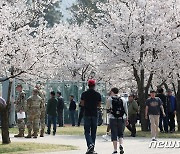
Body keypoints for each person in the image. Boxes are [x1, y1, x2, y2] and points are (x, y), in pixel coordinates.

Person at [80, 79, 101, 154]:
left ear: (88, 85)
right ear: (94, 85)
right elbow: (99, 105)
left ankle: (90, 145)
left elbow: (82, 104)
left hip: (87, 114)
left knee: (87, 131)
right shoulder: (98, 94)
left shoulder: (84, 94)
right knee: (93, 132)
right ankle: (92, 147)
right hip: (94, 114)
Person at [106, 88, 128, 154]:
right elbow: (126, 110)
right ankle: (121, 145)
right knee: (120, 134)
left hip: (113, 118)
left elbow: (108, 109)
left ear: (112, 92)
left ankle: (115, 150)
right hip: (121, 118)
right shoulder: (123, 99)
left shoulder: (110, 99)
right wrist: (127, 118)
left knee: (114, 134)